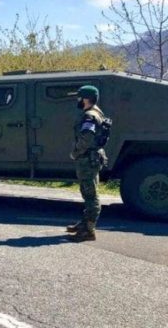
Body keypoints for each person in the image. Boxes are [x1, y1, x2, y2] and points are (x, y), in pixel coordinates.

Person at [67, 85, 107, 242]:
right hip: (92, 158)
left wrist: (75, 152)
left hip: (87, 158)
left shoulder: (89, 116)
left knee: (91, 195)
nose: (78, 100)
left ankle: (89, 231)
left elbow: (86, 138)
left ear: (85, 99)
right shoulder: (96, 112)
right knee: (88, 191)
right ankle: (85, 223)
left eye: (79, 97)